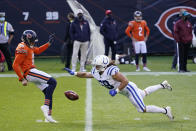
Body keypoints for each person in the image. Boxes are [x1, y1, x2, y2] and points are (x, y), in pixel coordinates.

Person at [65, 55, 174, 120]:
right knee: (144, 93)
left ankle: (165, 110)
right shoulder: (96, 71)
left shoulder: (112, 71)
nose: (95, 67)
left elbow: (125, 81)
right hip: (125, 91)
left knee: (142, 109)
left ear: (103, 65)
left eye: (97, 65)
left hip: (128, 89)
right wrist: (74, 73)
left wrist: (116, 91)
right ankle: (162, 85)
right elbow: (86, 75)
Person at [12, 30, 57, 123]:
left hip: (31, 72)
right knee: (53, 82)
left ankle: (48, 117)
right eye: (32, 41)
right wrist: (22, 78)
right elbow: (15, 64)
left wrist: (48, 44)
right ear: (27, 39)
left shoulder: (28, 46)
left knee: (48, 91)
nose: (33, 42)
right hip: (29, 72)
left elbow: (38, 50)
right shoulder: (22, 47)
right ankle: (45, 107)